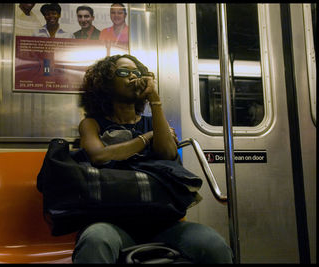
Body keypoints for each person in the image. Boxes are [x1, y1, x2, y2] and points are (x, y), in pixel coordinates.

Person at [73, 54, 233, 264]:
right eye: (123, 72)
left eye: (137, 73)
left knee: (214, 245)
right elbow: (99, 156)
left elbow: (168, 154)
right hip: (112, 223)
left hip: (163, 224)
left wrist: (154, 99)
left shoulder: (153, 122)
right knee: (95, 241)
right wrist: (146, 138)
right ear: (106, 83)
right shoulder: (92, 124)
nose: (132, 76)